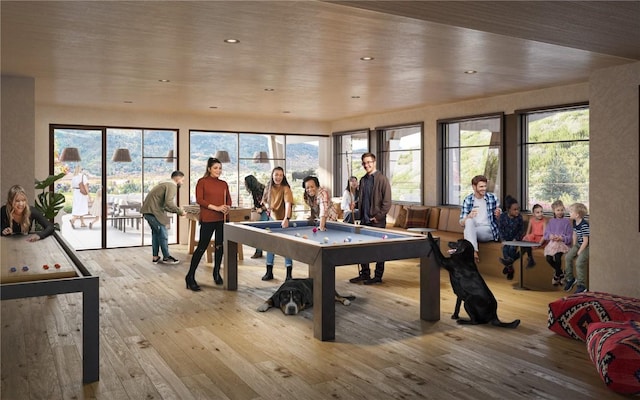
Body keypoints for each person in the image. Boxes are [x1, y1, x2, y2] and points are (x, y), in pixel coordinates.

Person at [185, 158, 231, 291]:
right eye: (216, 168)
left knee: (220, 246)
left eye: (220, 168)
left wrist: (227, 207)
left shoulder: (224, 184)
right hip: (208, 219)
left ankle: (216, 273)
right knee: (202, 247)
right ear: (209, 169)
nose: (218, 171)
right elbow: (200, 200)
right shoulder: (202, 182)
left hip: (222, 219)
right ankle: (190, 276)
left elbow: (228, 199)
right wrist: (216, 208)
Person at [349, 152, 392, 285]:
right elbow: (363, 199)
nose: (366, 165)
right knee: (362, 248)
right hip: (364, 220)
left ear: (374, 162)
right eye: (364, 163)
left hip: (377, 221)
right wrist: (355, 204)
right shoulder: (362, 180)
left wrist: (378, 217)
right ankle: (365, 274)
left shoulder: (382, 179)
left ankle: (378, 276)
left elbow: (387, 202)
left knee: (379, 250)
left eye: (369, 162)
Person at [140, 170, 185, 265]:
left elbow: (165, 205)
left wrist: (177, 211)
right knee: (163, 234)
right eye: (182, 180)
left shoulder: (164, 184)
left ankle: (155, 257)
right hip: (153, 212)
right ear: (177, 179)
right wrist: (180, 211)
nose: (182, 183)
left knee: (156, 234)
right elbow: (169, 203)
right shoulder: (172, 185)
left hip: (148, 212)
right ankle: (166, 257)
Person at [459, 175, 501, 264]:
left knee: (467, 232)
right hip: (474, 230)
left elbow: (500, 215)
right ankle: (474, 252)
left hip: (489, 230)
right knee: (469, 222)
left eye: (485, 186)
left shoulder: (492, 198)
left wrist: (498, 214)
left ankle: (472, 252)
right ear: (474, 187)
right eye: (481, 186)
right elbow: (462, 223)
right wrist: (468, 216)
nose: (484, 189)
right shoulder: (468, 200)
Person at [262, 166, 294, 281]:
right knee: (270, 246)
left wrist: (286, 218)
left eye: (281, 175)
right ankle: (269, 271)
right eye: (276, 174)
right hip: (272, 220)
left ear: (283, 176)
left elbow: (288, 204)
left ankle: (289, 274)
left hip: (283, 221)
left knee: (286, 247)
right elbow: (264, 201)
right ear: (272, 175)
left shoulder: (286, 188)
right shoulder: (269, 187)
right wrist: (267, 207)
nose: (278, 177)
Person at [543, 200, 572, 286]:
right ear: (554, 211)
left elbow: (569, 236)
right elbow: (546, 234)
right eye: (558, 210)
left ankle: (556, 276)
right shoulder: (551, 221)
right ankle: (560, 274)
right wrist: (550, 236)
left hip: (562, 244)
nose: (560, 212)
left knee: (558, 257)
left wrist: (562, 238)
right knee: (548, 258)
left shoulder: (566, 222)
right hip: (552, 244)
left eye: (561, 210)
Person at [564, 202, 590, 294]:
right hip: (579, 244)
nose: (569, 213)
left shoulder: (584, 225)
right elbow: (574, 234)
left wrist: (579, 252)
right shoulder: (575, 222)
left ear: (577, 214)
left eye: (571, 211)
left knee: (579, 262)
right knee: (567, 257)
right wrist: (574, 247)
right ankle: (570, 279)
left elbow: (586, 241)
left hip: (586, 246)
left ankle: (581, 286)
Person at [497, 195, 524, 280]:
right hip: (505, 239)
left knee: (512, 248)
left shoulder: (519, 218)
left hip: (515, 239)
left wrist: (516, 238)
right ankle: (510, 268)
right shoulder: (502, 217)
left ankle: (508, 266)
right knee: (505, 249)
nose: (517, 211)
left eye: (518, 209)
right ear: (509, 210)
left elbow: (521, 230)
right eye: (515, 209)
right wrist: (503, 240)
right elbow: (500, 229)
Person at [245, 174, 267, 258]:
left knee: (259, 231)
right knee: (259, 231)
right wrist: (254, 208)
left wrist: (261, 209)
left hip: (267, 212)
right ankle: (259, 251)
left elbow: (268, 203)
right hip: (263, 212)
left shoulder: (261, 190)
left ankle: (258, 252)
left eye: (246, 183)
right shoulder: (255, 191)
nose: (245, 185)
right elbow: (257, 204)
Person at [521, 203, 547, 268]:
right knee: (524, 243)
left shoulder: (544, 221)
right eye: (537, 212)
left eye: (541, 212)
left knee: (525, 247)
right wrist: (526, 239)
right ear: (533, 214)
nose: (540, 214)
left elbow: (545, 235)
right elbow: (528, 232)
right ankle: (530, 260)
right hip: (533, 237)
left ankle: (513, 259)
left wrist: (539, 243)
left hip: (541, 239)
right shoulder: (531, 220)